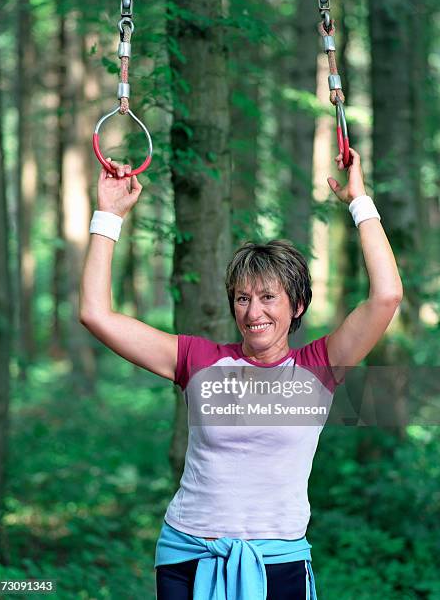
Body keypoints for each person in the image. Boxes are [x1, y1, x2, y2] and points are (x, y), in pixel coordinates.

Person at [79, 149, 403, 600]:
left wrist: (359, 201)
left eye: (269, 297)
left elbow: (386, 296)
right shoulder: (198, 359)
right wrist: (108, 216)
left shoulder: (318, 368)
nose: (254, 312)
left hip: (279, 561)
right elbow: (96, 314)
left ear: (298, 306)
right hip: (188, 556)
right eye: (243, 298)